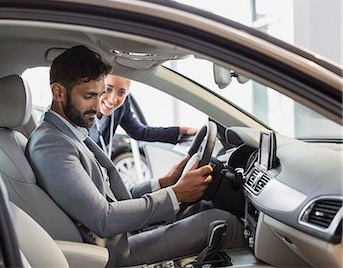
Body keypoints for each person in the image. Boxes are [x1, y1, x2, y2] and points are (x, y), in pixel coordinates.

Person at [26, 45, 245, 267]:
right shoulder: (51, 144)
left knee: (203, 210)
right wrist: (176, 194)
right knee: (223, 222)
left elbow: (109, 198)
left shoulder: (69, 133)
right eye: (89, 96)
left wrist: (164, 183)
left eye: (99, 94)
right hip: (113, 253)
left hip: (122, 236)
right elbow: (104, 218)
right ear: (58, 93)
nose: (98, 106)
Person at [89, 74, 197, 157]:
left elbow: (140, 132)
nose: (113, 99)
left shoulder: (121, 106)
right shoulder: (79, 110)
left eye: (121, 93)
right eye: (108, 89)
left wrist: (183, 130)